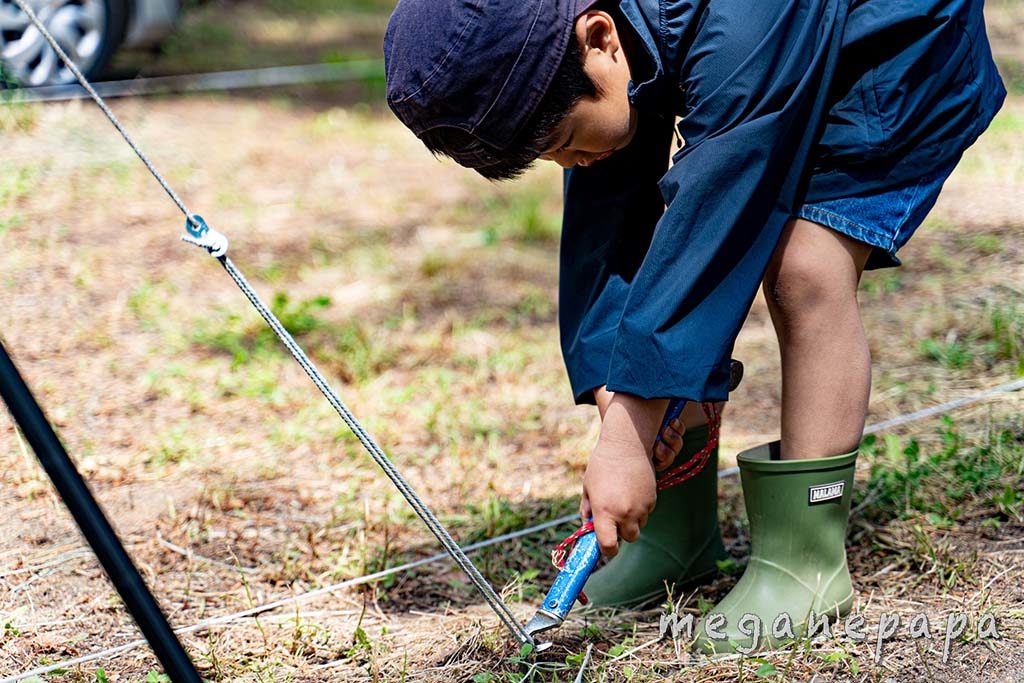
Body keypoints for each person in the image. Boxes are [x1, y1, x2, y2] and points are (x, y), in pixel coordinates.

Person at [383, 0, 1005, 651]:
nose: (566, 161)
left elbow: (720, 205)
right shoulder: (600, 40)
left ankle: (804, 557)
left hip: (889, 47)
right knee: (631, 212)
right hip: (764, 56)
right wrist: (616, 396)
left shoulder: (742, 21)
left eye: (563, 139)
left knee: (804, 266)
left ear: (599, 37)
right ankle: (678, 535)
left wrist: (628, 438)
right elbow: (609, 230)